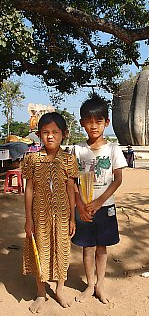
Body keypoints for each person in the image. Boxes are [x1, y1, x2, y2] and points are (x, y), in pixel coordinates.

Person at [72, 95, 127, 304]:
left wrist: (98, 201)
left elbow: (118, 179)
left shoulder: (113, 149)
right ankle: (89, 285)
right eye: (88, 121)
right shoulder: (77, 149)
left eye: (98, 121)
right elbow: (72, 181)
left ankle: (100, 284)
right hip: (83, 209)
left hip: (106, 207)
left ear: (106, 122)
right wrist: (80, 205)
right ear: (82, 123)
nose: (93, 126)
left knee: (102, 248)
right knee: (87, 248)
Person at [22, 112, 78, 313]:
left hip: (63, 216)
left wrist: (72, 217)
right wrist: (29, 219)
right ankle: (40, 292)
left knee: (62, 251)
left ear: (63, 134)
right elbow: (29, 190)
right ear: (39, 135)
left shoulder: (69, 159)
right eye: (45, 132)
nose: (50, 136)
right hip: (40, 216)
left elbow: (71, 188)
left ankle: (60, 289)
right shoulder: (32, 160)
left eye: (55, 132)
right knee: (42, 252)